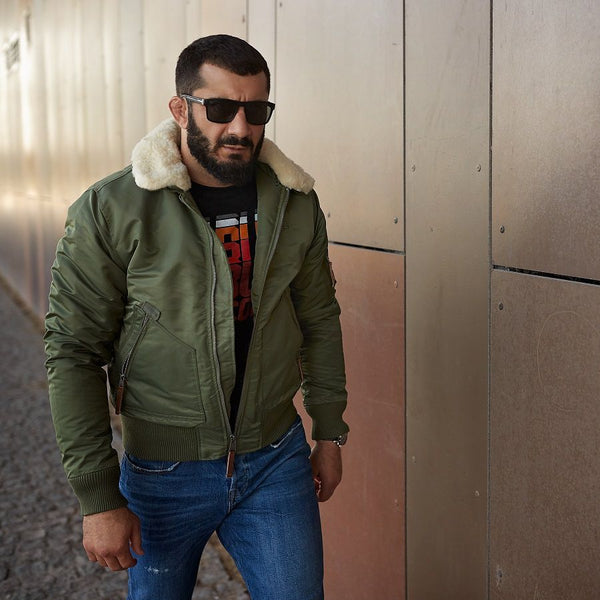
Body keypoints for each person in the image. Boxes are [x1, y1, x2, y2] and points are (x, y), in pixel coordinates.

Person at [44, 34, 348, 600]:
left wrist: (329, 431)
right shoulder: (112, 210)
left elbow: (319, 321)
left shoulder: (295, 202)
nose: (240, 127)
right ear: (180, 109)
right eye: (221, 108)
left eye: (256, 111)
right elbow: (73, 351)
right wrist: (98, 497)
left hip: (275, 460)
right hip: (163, 471)